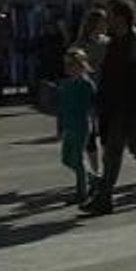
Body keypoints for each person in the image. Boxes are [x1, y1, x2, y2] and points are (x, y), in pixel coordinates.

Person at [82, 0, 136, 216]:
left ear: (120, 17)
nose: (106, 18)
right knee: (135, 147)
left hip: (128, 107)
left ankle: (104, 198)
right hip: (115, 106)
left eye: (109, 14)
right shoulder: (116, 42)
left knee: (113, 152)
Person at [74, 7, 110, 173]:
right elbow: (73, 62)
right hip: (87, 91)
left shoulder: (108, 42)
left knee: (106, 132)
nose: (105, 25)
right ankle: (96, 169)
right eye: (103, 21)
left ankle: (106, 165)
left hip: (105, 90)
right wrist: (89, 68)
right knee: (90, 133)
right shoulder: (81, 43)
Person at [58, 48, 96, 205]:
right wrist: (60, 127)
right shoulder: (65, 84)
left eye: (72, 64)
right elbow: (62, 107)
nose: (68, 68)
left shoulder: (86, 84)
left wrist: (93, 124)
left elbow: (92, 106)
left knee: (78, 158)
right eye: (67, 64)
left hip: (81, 124)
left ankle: (82, 192)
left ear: (81, 65)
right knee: (66, 159)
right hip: (68, 125)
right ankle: (93, 178)